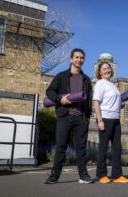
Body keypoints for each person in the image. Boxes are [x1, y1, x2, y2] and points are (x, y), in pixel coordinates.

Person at [44, 48, 93, 184]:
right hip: (64, 116)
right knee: (60, 147)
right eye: (77, 57)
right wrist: (60, 100)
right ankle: (54, 176)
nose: (79, 60)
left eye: (81, 58)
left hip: (80, 119)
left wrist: (87, 118)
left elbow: (89, 101)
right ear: (71, 59)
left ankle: (83, 176)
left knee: (81, 148)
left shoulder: (86, 79)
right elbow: (50, 91)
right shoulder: (61, 76)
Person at [93, 62, 128, 184]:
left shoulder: (113, 85)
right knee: (103, 147)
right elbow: (96, 102)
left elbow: (114, 101)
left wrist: (120, 104)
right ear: (99, 72)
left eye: (108, 68)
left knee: (117, 148)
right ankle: (101, 175)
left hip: (116, 119)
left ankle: (117, 175)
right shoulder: (100, 83)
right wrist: (99, 120)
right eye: (104, 69)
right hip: (106, 118)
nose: (107, 70)